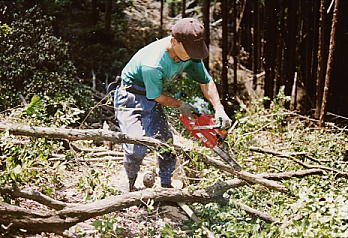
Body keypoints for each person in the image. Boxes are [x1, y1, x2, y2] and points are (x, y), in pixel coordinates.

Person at [114, 18, 232, 192]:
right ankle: (129, 184)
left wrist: (219, 108)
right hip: (131, 96)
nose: (192, 55)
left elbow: (206, 81)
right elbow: (155, 96)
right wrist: (181, 105)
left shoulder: (191, 54)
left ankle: (166, 185)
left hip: (153, 95)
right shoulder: (153, 63)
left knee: (166, 144)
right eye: (189, 50)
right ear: (175, 41)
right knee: (136, 146)